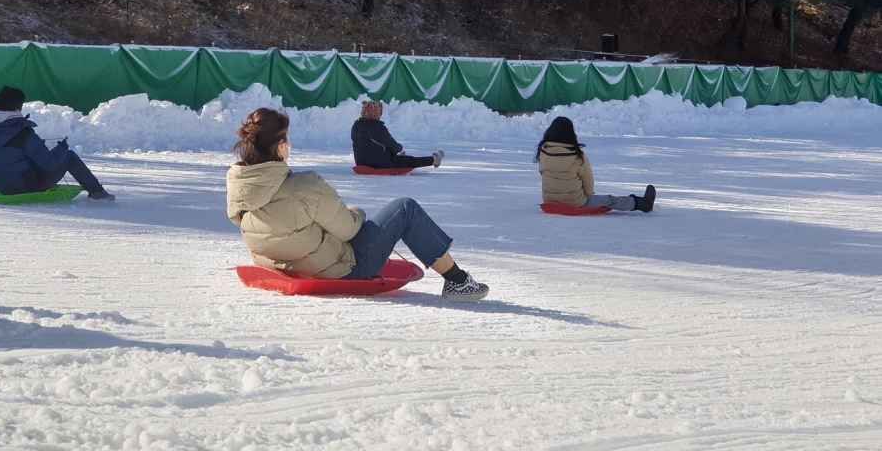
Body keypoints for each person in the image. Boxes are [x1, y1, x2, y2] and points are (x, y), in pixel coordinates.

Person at [226, 108, 488, 300]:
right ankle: (458, 282)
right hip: (337, 270)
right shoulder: (305, 186)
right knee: (405, 208)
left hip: (280, 264)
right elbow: (349, 231)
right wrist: (355, 212)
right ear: (281, 147)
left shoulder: (240, 187)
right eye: (288, 140)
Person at [0, 86, 115, 201]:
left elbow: (4, 153)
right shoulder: (23, 132)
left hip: (0, 184)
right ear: (17, 107)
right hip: (26, 186)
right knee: (69, 156)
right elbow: (49, 164)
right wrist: (61, 148)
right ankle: (97, 193)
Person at [537, 116, 655, 212]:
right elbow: (588, 182)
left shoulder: (543, 152)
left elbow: (544, 174)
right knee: (610, 200)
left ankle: (640, 202)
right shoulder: (577, 156)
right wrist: (589, 197)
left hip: (549, 200)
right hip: (575, 202)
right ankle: (643, 204)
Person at [351, 100, 444, 170]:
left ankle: (400, 157)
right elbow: (391, 144)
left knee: (397, 156)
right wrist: (399, 149)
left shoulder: (356, 125)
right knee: (409, 160)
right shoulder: (377, 127)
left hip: (361, 162)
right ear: (376, 113)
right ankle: (434, 160)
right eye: (379, 111)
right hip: (380, 164)